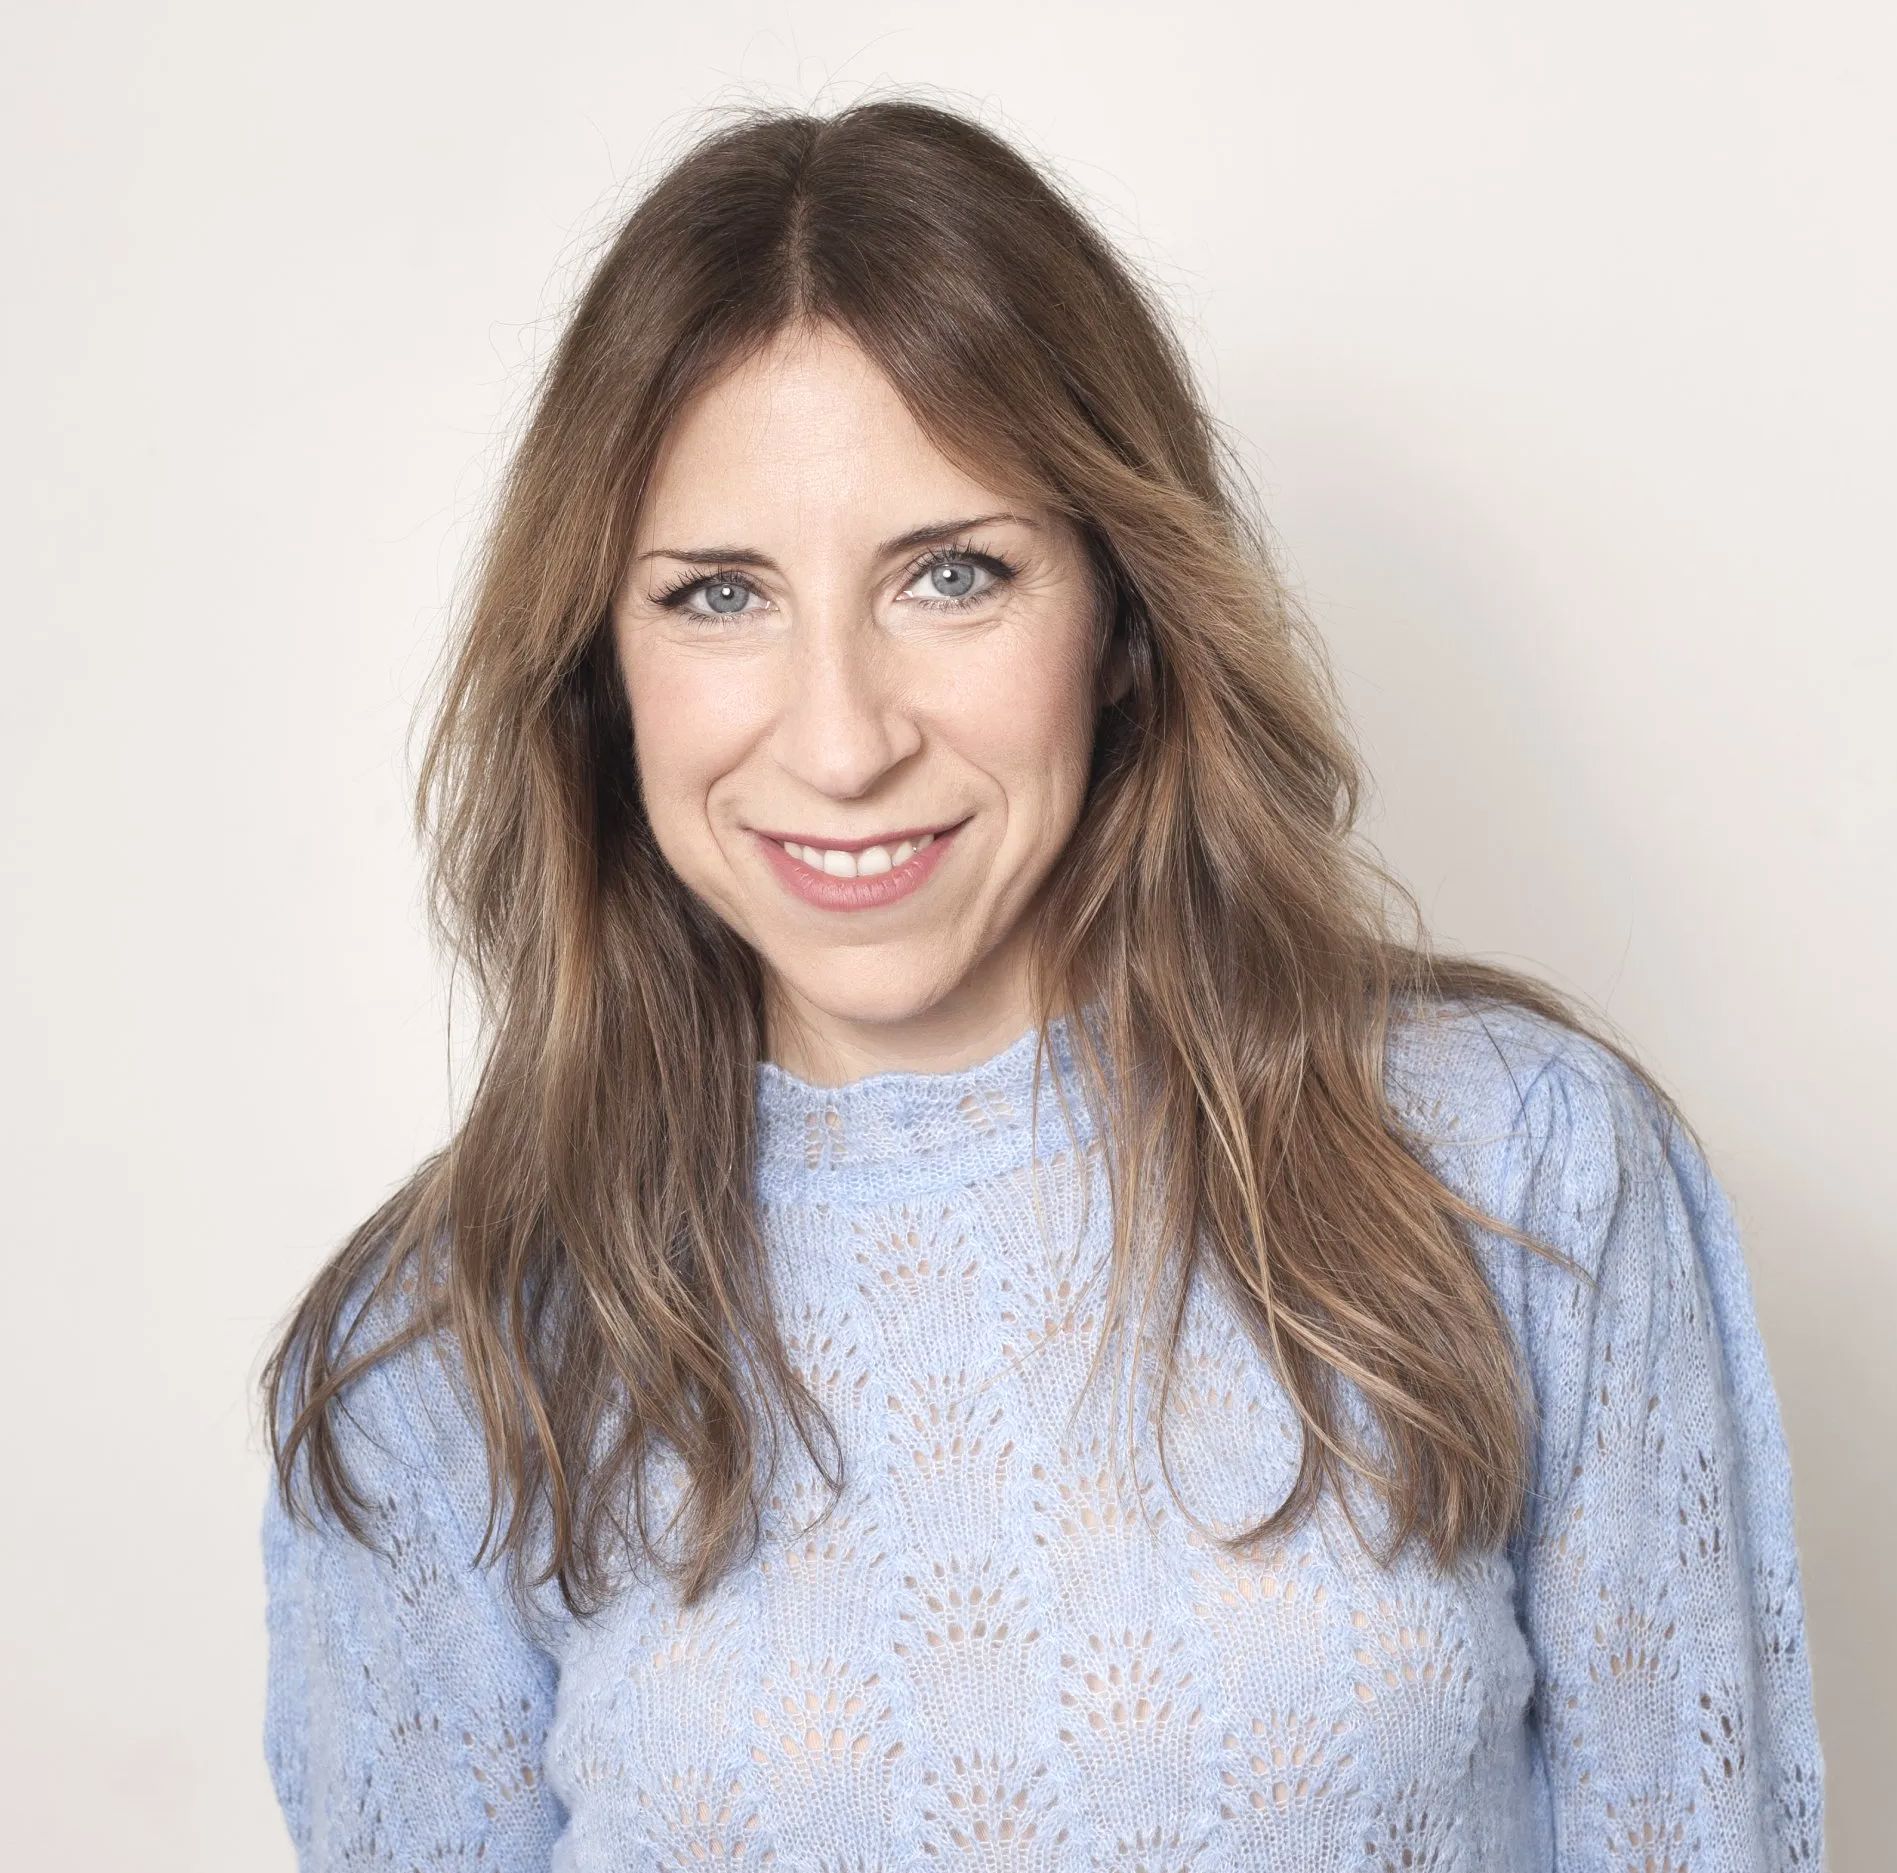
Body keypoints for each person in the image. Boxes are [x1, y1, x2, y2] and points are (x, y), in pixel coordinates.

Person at [257, 97, 1826, 1869]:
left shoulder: (1517, 1171)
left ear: (1124, 617)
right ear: (600, 671)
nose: (841, 740)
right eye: (716, 596)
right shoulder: (438, 1355)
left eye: (953, 575)